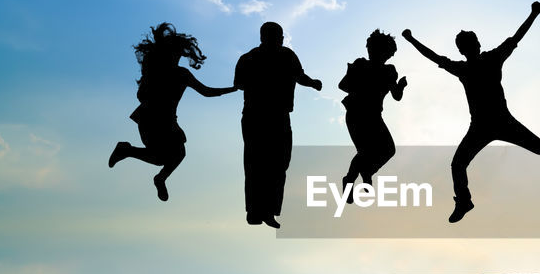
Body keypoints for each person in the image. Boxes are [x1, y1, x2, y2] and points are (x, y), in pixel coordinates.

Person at [401, 1, 540, 223]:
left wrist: (533, 14)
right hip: (481, 127)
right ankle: (464, 201)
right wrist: (411, 40)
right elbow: (435, 57)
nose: (470, 47)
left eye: (471, 42)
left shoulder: (491, 59)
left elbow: (517, 37)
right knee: (458, 164)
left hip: (502, 122)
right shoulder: (464, 68)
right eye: (466, 45)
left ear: (476, 44)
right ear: (462, 50)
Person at [108, 22, 236, 202]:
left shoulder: (179, 74)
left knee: (175, 154)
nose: (178, 57)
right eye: (175, 54)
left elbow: (206, 92)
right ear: (167, 54)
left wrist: (232, 89)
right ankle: (132, 155)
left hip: (163, 120)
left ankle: (146, 166)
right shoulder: (165, 73)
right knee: (165, 156)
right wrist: (232, 89)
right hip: (151, 119)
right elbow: (206, 92)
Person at [234, 21, 323, 228]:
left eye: (281, 36)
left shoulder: (287, 55)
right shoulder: (249, 58)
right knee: (256, 164)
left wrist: (313, 83)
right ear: (266, 36)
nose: (281, 39)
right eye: (278, 35)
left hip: (278, 115)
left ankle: (268, 211)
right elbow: (239, 84)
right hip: (256, 116)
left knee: (279, 163)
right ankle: (255, 212)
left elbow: (300, 76)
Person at [340, 30, 407, 199]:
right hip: (356, 114)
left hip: (374, 116)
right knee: (364, 151)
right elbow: (343, 86)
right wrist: (359, 79)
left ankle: (366, 171)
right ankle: (350, 180)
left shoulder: (389, 71)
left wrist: (401, 86)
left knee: (388, 150)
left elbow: (397, 96)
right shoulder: (360, 65)